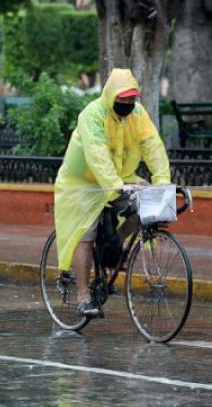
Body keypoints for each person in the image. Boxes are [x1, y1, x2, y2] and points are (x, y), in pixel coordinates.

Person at [53, 68, 171, 318]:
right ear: (110, 96)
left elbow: (153, 147)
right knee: (85, 233)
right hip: (82, 184)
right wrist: (115, 185)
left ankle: (111, 247)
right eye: (123, 100)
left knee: (145, 209)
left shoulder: (138, 115)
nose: (128, 105)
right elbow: (97, 154)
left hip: (121, 178)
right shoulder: (93, 114)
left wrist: (161, 183)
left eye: (132, 100)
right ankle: (83, 297)